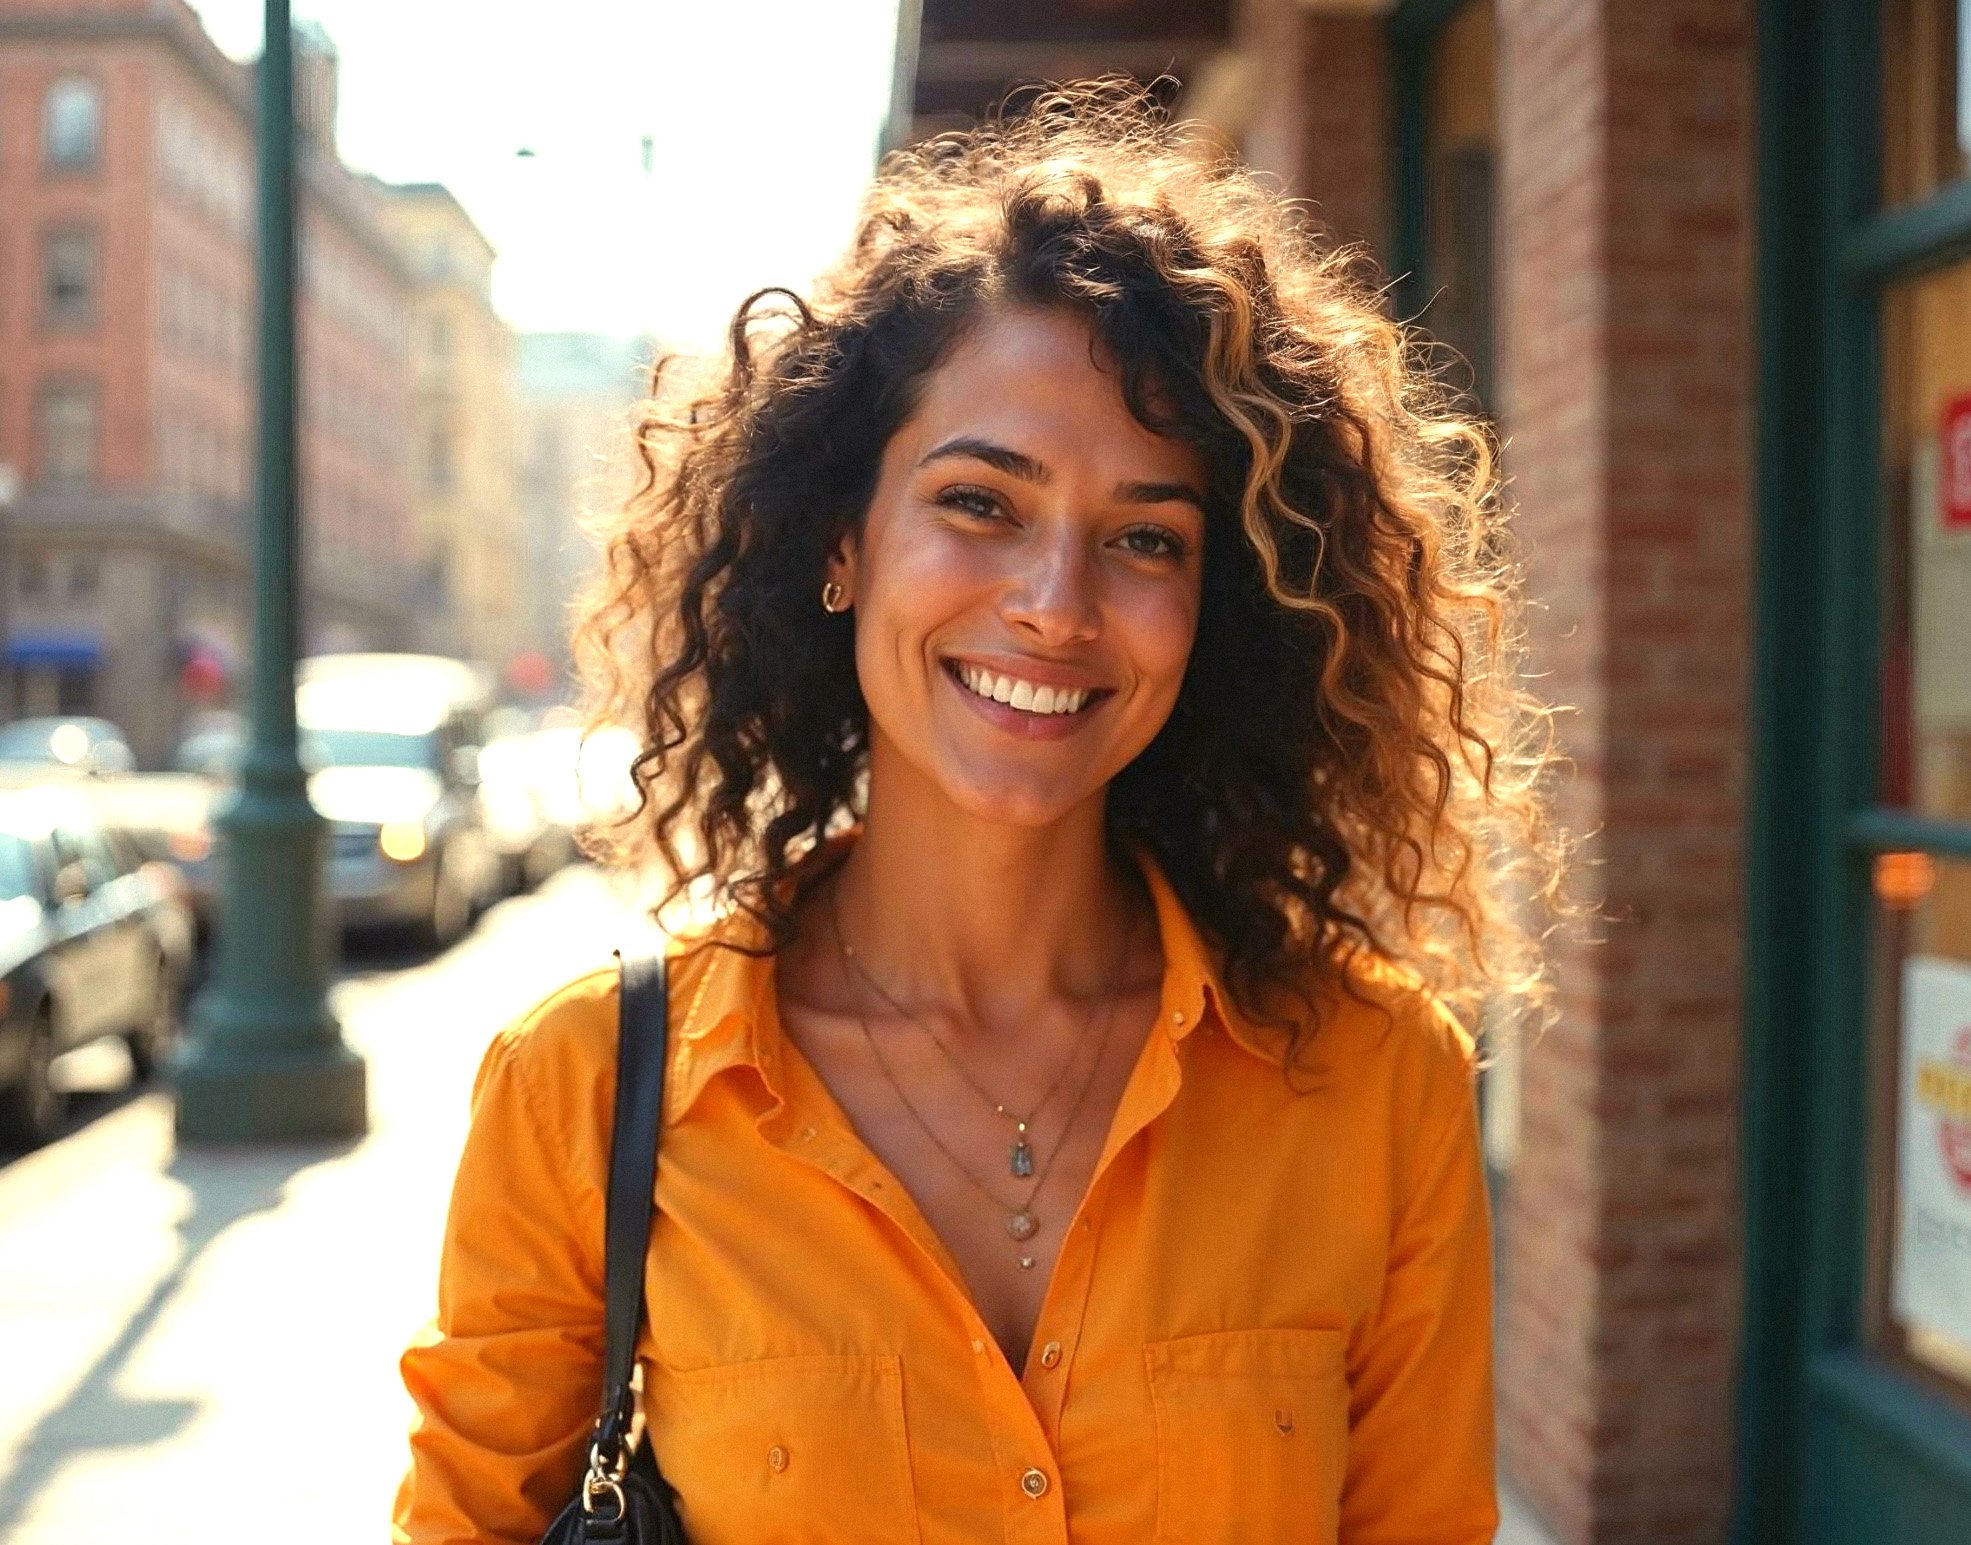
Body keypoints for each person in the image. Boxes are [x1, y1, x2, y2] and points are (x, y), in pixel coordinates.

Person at [393, 81, 1567, 1545]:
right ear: (842, 542)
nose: (1057, 606)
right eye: (980, 503)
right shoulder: (585, 1089)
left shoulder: (1379, 1078)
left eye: (1147, 536)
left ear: (1219, 604)